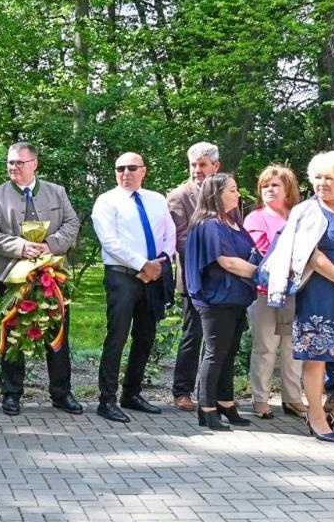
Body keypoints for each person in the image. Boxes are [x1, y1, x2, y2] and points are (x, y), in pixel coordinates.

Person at [262, 151, 334, 442]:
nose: (322, 183)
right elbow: (310, 255)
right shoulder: (307, 211)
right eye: (317, 178)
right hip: (321, 293)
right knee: (316, 358)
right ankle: (315, 415)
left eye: (329, 178)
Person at [0, 141, 83, 418]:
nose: (13, 167)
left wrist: (51, 244)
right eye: (10, 162)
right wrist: (21, 246)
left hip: (53, 275)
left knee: (58, 335)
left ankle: (61, 393)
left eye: (19, 162)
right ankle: (11, 394)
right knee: (13, 336)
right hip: (13, 278)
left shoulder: (56, 192)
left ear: (34, 164)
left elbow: (72, 223)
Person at [90, 153, 175, 423]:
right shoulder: (107, 201)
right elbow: (110, 242)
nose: (125, 172)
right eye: (120, 168)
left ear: (143, 171)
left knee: (145, 336)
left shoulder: (156, 199)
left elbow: (169, 233)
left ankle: (132, 393)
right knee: (117, 336)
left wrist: (160, 263)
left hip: (153, 276)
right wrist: (142, 264)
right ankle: (107, 399)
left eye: (131, 168)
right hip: (122, 276)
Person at [183, 174, 258, 431]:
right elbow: (227, 261)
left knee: (228, 353)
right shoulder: (210, 225)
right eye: (233, 190)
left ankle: (226, 402)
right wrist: (264, 274)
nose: (238, 195)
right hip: (216, 299)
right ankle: (207, 408)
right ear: (216, 195)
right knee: (215, 354)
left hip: (236, 298)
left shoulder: (233, 221)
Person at [243, 165, 305, 418]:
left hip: (296, 292)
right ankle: (260, 399)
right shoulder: (255, 218)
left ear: (288, 190)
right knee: (265, 347)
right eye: (265, 185)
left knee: (293, 349)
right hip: (265, 293)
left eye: (275, 185)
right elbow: (265, 251)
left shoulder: (299, 216)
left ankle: (292, 399)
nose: (269, 189)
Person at [167, 142, 220, 411]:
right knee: (193, 334)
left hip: (225, 279)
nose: (197, 170)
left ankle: (213, 392)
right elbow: (181, 240)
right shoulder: (179, 196)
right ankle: (182, 390)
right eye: (193, 165)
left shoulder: (225, 194)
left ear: (215, 167)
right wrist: (219, 253)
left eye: (202, 165)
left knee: (220, 338)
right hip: (195, 278)